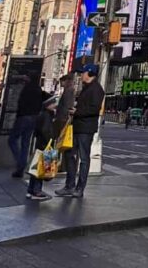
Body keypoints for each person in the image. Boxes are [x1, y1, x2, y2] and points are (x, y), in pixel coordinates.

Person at [56, 64, 103, 198]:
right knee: (69, 155)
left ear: (89, 73)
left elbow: (94, 109)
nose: (81, 75)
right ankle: (69, 185)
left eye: (83, 73)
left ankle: (79, 188)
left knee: (83, 158)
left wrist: (77, 111)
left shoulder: (96, 89)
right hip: (76, 127)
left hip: (86, 129)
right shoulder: (86, 88)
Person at [8, 71, 49, 178]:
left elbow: (21, 103)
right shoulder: (38, 89)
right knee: (25, 143)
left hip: (23, 117)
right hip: (33, 118)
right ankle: (21, 165)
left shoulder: (27, 88)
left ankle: (20, 163)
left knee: (12, 139)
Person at [27, 95, 59, 202]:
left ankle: (31, 189)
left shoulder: (42, 114)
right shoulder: (46, 116)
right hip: (45, 145)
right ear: (48, 105)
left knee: (36, 169)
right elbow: (46, 131)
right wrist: (51, 139)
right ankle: (37, 190)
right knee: (41, 169)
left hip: (40, 144)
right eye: (53, 103)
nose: (55, 105)